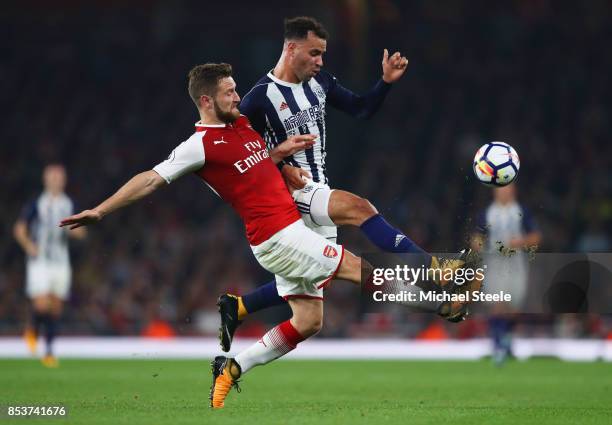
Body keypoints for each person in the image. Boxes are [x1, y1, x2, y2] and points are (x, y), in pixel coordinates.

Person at [60, 63, 471, 408]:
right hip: (278, 238)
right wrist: (101, 209)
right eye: (228, 92)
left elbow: (254, 167)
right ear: (206, 100)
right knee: (359, 270)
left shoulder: (240, 126)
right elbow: (150, 180)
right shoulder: (199, 145)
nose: (238, 97)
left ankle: (233, 366)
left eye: (236, 89)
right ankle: (441, 305)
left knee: (309, 321)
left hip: (289, 230)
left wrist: (279, 158)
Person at [217, 16, 432, 351]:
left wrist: (385, 82)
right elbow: (242, 159)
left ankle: (240, 309)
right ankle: (432, 270)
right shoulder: (259, 98)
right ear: (291, 49)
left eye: (322, 54)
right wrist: (281, 164)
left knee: (310, 298)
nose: (320, 61)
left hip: (319, 188)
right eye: (314, 53)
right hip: (292, 197)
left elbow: (360, 110)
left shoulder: (322, 83)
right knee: (360, 212)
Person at [13, 164, 86, 367]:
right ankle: (33, 330)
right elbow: (19, 228)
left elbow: (81, 230)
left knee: (55, 308)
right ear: (46, 179)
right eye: (52, 176)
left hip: (61, 262)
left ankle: (49, 351)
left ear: (64, 180)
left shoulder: (69, 204)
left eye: (58, 177)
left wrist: (77, 232)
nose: (55, 180)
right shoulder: (37, 203)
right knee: (42, 304)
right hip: (40, 261)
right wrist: (29, 246)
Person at [471, 183, 541, 365]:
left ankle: (507, 344)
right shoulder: (487, 213)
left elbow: (535, 237)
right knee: (497, 304)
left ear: (513, 191)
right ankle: (497, 347)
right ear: (495, 192)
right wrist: (477, 245)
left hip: (516, 263)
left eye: (507, 189)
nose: (503, 192)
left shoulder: (520, 212)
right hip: (495, 262)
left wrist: (520, 242)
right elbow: (477, 237)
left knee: (513, 308)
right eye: (501, 189)